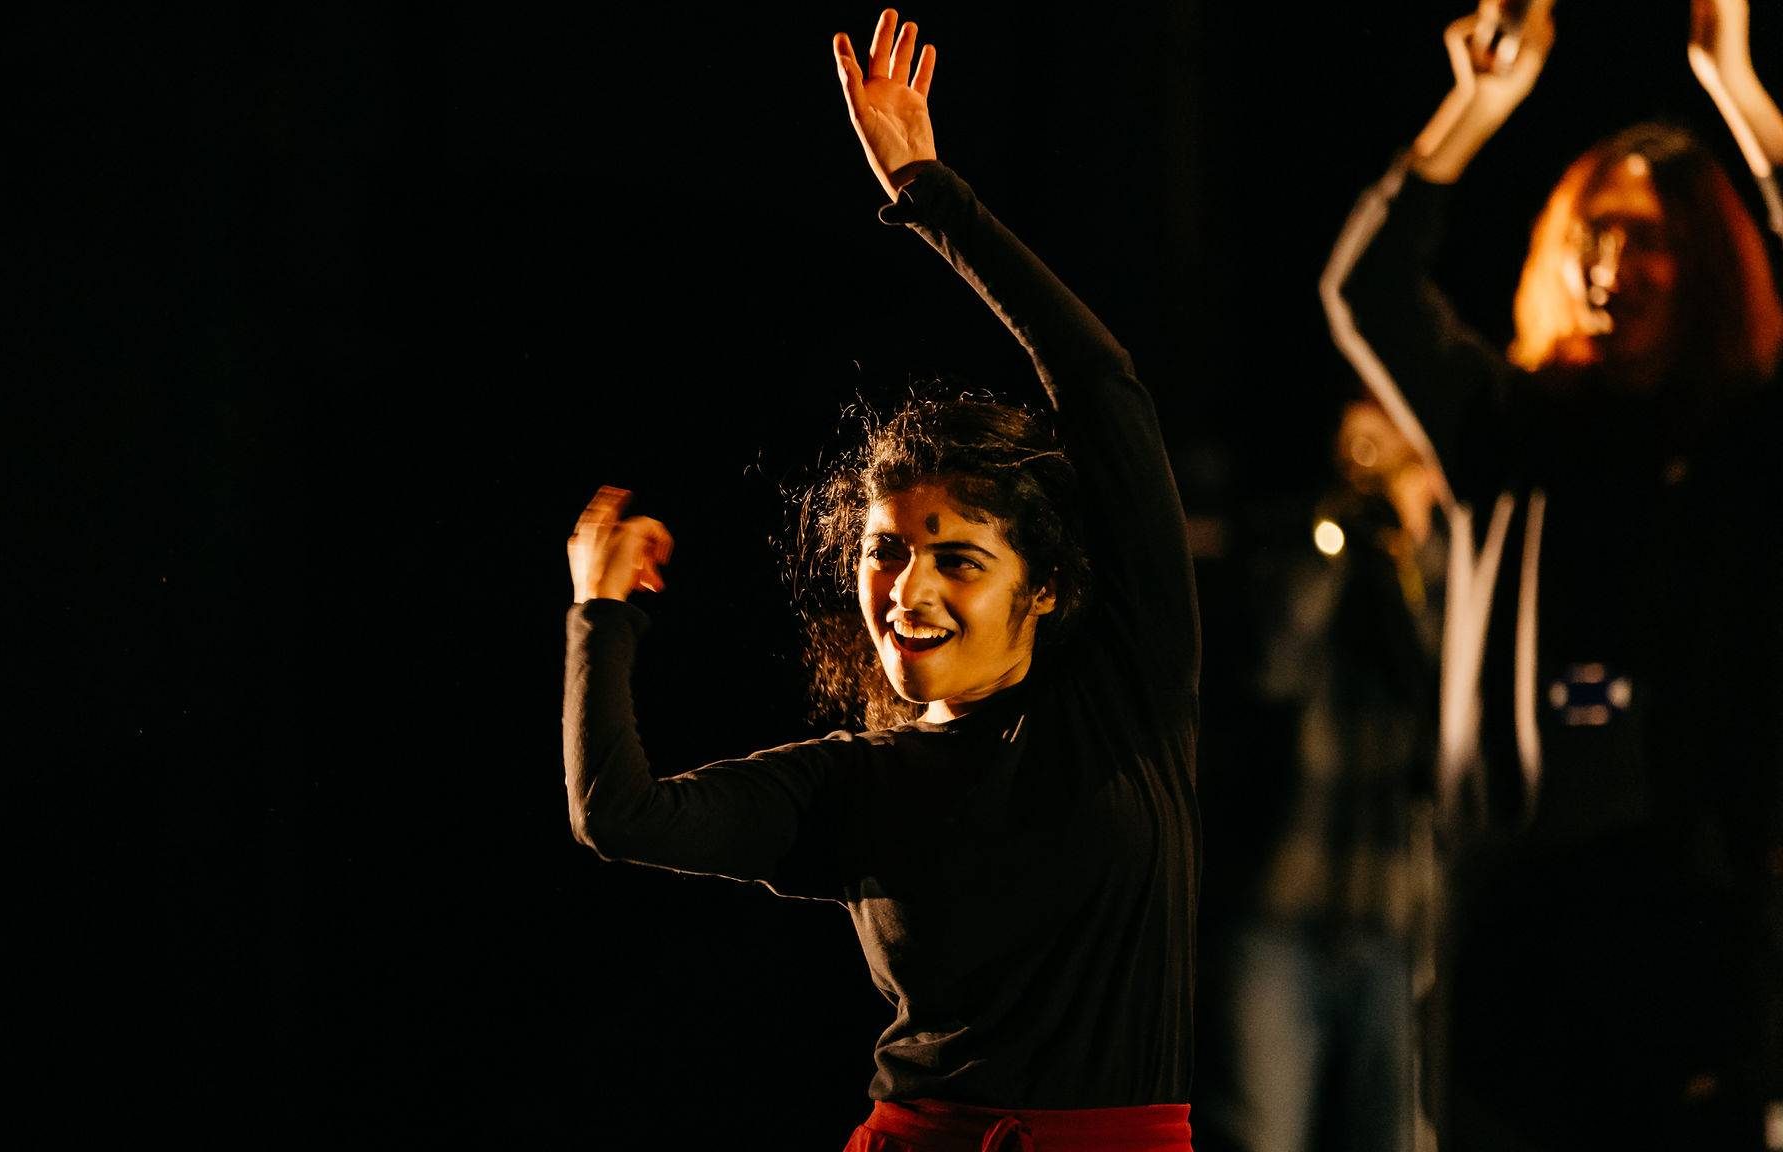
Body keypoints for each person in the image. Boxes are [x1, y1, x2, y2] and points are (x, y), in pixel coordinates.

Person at [564, 9, 1201, 1150]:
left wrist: (929, 193)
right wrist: (599, 617)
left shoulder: (1124, 695)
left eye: (957, 558)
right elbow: (621, 815)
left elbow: (1100, 386)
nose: (907, 587)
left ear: (1039, 585)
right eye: (885, 550)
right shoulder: (852, 783)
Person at [1319, 1, 1783, 1148]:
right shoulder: (1505, 425)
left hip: (1691, 928)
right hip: (1507, 924)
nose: (1609, 265)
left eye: (1647, 238)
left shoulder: (1738, 443)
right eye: (1593, 231)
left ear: (1705, 266)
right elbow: (1366, 287)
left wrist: (1735, 87)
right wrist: (1474, 107)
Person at [1199, 400, 1446, 1152]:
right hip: (1284, 910)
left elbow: (1449, 691)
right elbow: (1274, 664)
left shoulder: (1449, 563)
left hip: (1404, 920)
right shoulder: (1304, 543)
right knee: (1260, 1136)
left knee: (1396, 1137)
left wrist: (1412, 542)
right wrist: (1339, 532)